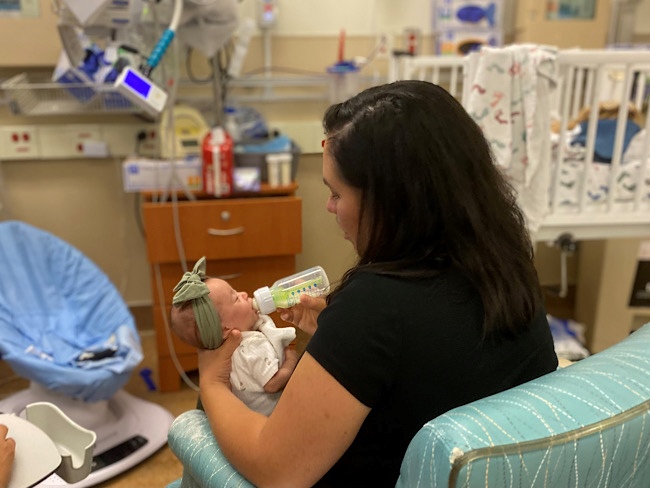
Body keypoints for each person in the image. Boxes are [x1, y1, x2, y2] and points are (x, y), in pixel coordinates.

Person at [196, 80, 559, 487]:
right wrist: (334, 341)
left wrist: (212, 382)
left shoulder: (375, 306)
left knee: (202, 416)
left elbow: (276, 469)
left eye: (336, 193)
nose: (329, 207)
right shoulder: (510, 267)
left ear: (392, 199)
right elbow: (421, 365)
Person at [171, 257, 298, 415]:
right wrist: (292, 360)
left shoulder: (220, 354)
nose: (244, 294)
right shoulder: (252, 345)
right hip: (273, 417)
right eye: (236, 298)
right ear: (225, 328)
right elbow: (272, 384)